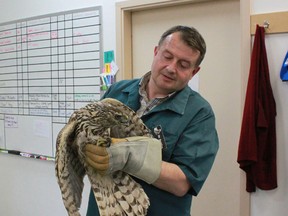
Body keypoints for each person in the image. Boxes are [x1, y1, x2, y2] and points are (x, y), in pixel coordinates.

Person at [85, 25, 219, 216]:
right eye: (167, 56)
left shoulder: (199, 114)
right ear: (156, 52)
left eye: (183, 64)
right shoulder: (116, 91)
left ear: (194, 72)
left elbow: (183, 182)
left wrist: (128, 156)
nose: (171, 68)